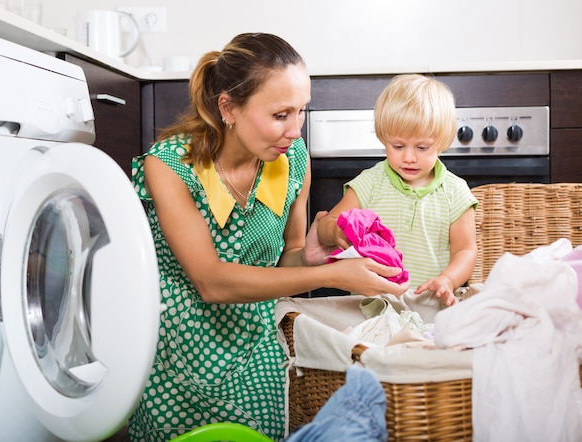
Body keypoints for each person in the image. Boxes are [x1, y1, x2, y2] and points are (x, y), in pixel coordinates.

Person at [128, 33, 410, 441]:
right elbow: (211, 280)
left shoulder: (292, 161)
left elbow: (289, 258)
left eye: (301, 112)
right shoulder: (169, 165)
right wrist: (333, 277)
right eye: (281, 115)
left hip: (254, 345)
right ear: (229, 108)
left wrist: (314, 257)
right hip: (176, 355)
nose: (295, 130)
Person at [317, 74, 478, 307]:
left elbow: (465, 250)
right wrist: (335, 231)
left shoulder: (455, 192)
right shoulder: (370, 183)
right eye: (398, 146)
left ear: (442, 141)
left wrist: (448, 279)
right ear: (384, 138)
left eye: (422, 147)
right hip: (371, 307)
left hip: (430, 307)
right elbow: (326, 225)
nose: (409, 157)